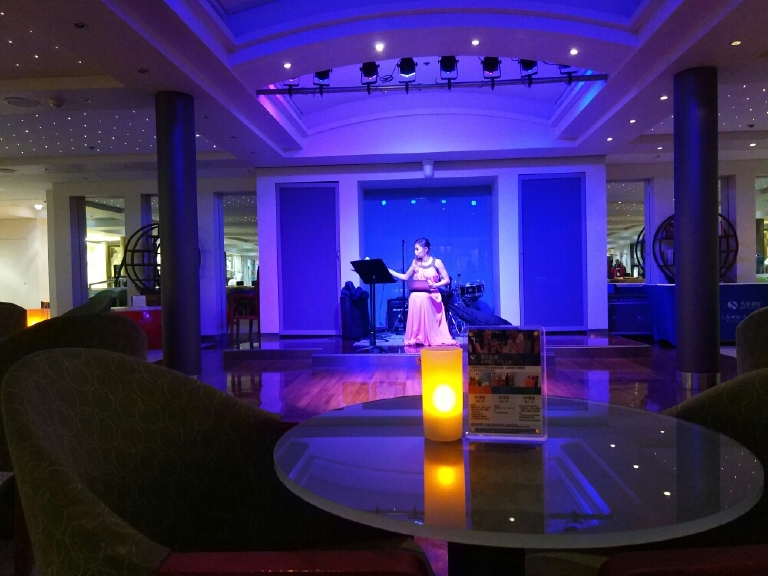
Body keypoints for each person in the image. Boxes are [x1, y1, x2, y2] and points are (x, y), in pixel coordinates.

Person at [388, 238, 457, 347]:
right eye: (414, 249)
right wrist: (392, 272)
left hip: (432, 295)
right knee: (414, 296)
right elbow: (406, 277)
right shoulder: (415, 263)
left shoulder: (437, 262)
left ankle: (427, 335)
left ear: (426, 249)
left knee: (423, 297)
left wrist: (435, 285)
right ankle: (417, 335)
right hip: (419, 294)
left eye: (417, 249)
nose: (415, 252)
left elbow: (447, 280)